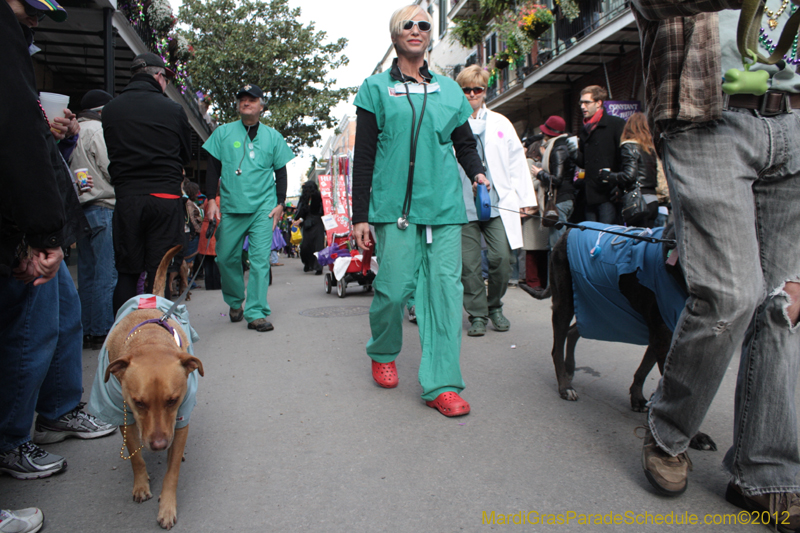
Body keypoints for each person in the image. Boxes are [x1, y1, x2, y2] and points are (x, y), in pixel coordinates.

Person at [632, 0, 800, 526]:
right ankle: (668, 430)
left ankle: (766, 474)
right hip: (708, 114)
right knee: (730, 293)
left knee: (785, 304)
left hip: (791, 120)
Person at [352, 5, 489, 417]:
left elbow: (464, 142)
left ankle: (441, 384)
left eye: (424, 25)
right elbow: (364, 156)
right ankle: (383, 349)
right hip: (394, 209)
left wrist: (478, 173)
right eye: (407, 25)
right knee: (392, 291)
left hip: (444, 207)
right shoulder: (375, 88)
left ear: (430, 35)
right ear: (395, 35)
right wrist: (361, 215)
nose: (416, 30)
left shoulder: (449, 90)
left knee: (446, 296)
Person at [1, 0, 116, 484]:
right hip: (25, 225)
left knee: (64, 314)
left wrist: (57, 136)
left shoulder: (18, 50)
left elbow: (32, 143)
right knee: (33, 328)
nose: (35, 21)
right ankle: (11, 440)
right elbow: (16, 142)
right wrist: (41, 233)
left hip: (44, 219)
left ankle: (58, 410)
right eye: (32, 12)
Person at [102, 52, 192, 313]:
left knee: (127, 273)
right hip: (164, 198)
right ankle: (154, 336)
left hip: (128, 198)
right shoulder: (173, 109)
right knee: (158, 272)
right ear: (158, 76)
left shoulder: (111, 110)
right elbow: (185, 154)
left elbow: (113, 151)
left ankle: (123, 336)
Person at [203, 84, 294, 332]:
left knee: (259, 260)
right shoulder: (222, 133)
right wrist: (211, 199)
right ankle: (235, 301)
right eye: (242, 99)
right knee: (225, 258)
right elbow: (211, 168)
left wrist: (280, 203)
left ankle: (256, 312)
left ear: (261, 106)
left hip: (263, 208)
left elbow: (281, 172)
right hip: (231, 207)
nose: (246, 102)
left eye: (252, 99)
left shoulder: (273, 137)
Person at [455, 65, 537, 336]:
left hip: (497, 203)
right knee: (469, 265)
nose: (471, 94)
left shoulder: (501, 123)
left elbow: (516, 162)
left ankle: (495, 306)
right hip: (463, 204)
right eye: (465, 89)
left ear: (484, 91)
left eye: (476, 89)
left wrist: (526, 198)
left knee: (502, 258)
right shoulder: (451, 122)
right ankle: (477, 314)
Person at [70, 89, 116, 350]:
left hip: (82, 209)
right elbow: (111, 169)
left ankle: (86, 330)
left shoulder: (73, 132)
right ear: (102, 111)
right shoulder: (97, 131)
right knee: (106, 274)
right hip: (104, 207)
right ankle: (101, 330)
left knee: (86, 274)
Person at [574, 85, 625, 224]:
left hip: (608, 192)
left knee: (607, 235)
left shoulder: (615, 124)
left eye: (587, 102)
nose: (583, 107)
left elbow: (623, 158)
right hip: (589, 194)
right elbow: (585, 162)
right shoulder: (585, 129)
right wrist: (574, 154)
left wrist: (619, 185)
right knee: (591, 235)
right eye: (581, 103)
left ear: (598, 103)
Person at [600, 112, 658, 228]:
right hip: (652, 199)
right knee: (649, 239)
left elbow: (629, 175)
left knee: (636, 239)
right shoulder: (650, 149)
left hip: (637, 201)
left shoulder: (629, 146)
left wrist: (608, 175)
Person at [530, 115, 576, 249]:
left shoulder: (558, 149)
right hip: (562, 199)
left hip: (560, 200)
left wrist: (540, 174)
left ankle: (558, 270)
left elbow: (557, 179)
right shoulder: (559, 146)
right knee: (555, 244)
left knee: (557, 246)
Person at [293, 180, 324, 275]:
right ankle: (308, 263)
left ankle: (318, 267)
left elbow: (322, 210)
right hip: (307, 224)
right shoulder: (304, 199)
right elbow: (301, 212)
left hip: (318, 222)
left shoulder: (319, 197)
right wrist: (300, 220)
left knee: (318, 245)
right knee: (306, 246)